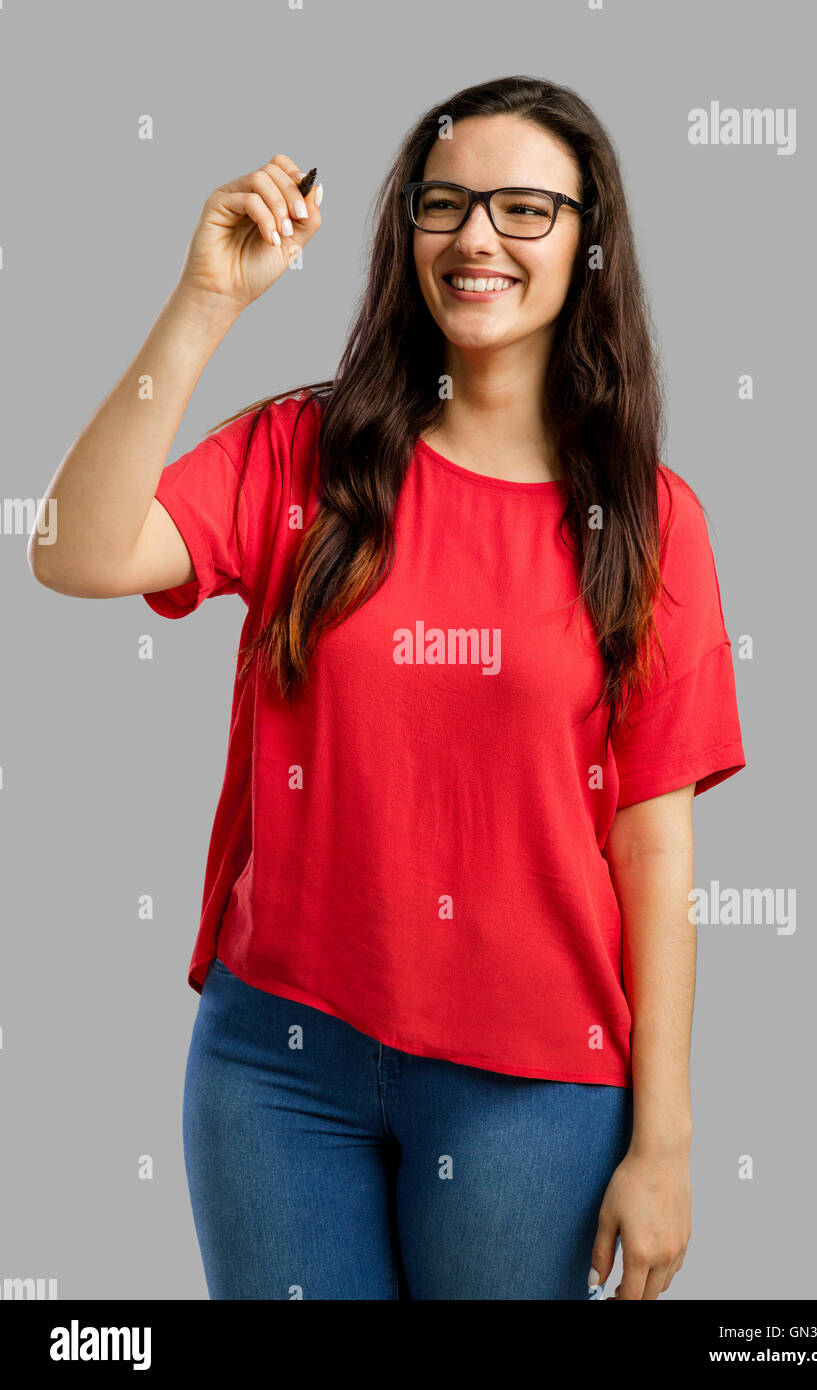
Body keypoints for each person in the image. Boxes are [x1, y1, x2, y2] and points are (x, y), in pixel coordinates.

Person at [29, 74, 746, 1300]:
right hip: (278, 1066)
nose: (477, 237)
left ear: (590, 245)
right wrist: (206, 306)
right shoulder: (306, 455)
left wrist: (666, 1133)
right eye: (448, 203)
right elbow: (73, 548)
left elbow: (655, 841)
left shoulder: (649, 522)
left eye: (527, 209)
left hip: (534, 1087)